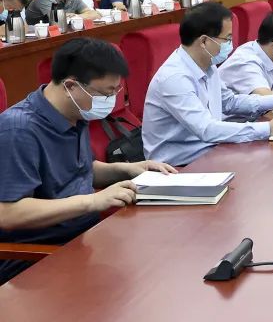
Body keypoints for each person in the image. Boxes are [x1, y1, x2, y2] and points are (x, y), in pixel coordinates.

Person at [0, 39, 176, 285]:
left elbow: (81, 170)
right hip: (39, 257)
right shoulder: (19, 131)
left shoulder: (75, 112)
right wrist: (92, 201)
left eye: (115, 92)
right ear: (71, 86)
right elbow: (8, 213)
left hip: (87, 237)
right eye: (105, 93)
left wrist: (127, 170)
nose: (111, 101)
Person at [141, 2, 273, 166]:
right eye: (227, 39)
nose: (231, 44)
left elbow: (229, 102)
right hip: (179, 166)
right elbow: (207, 129)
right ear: (204, 41)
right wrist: (268, 129)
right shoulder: (175, 78)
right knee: (266, 162)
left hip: (210, 149)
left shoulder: (208, 65)